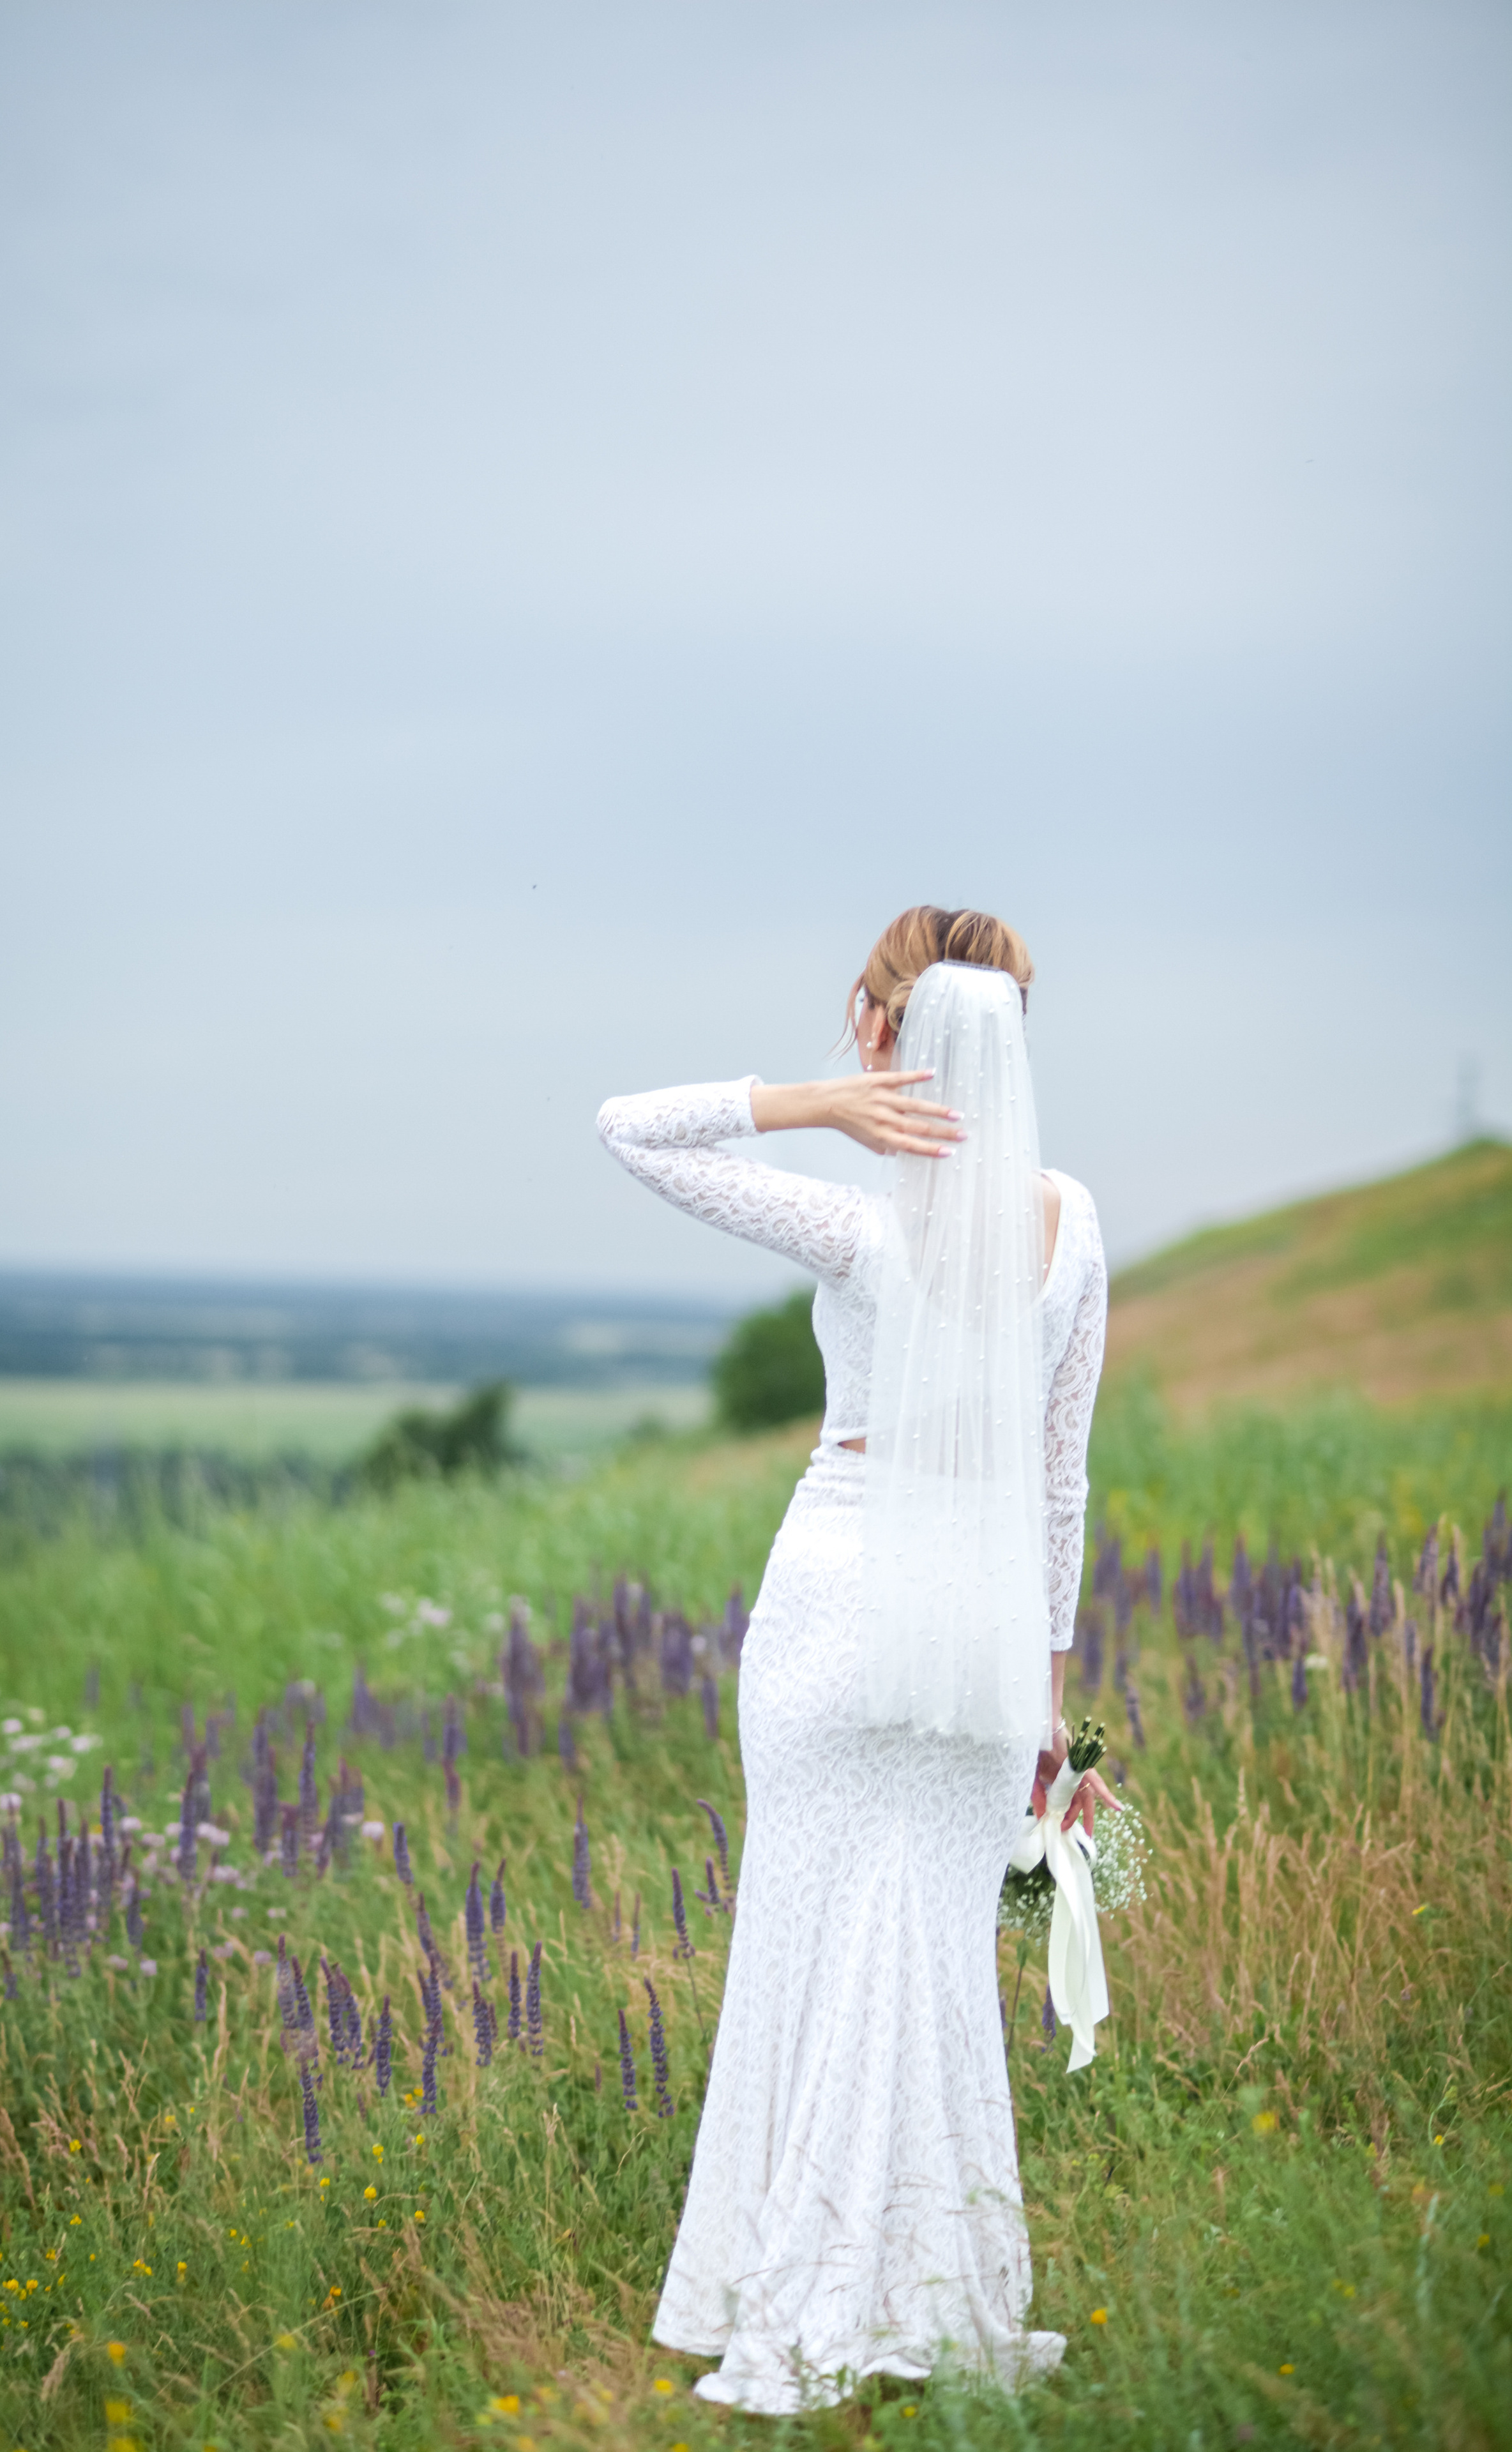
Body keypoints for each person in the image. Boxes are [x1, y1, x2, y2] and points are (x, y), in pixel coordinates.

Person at [596, 904, 1116, 2416]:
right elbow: (1060, 1480)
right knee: (930, 1970)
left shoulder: (855, 1218)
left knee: (809, 1951)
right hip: (984, 1626)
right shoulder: (1071, 1224)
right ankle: (925, 2298)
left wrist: (811, 1105)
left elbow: (628, 1129)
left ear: (883, 1028)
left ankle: (794, 2293)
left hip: (834, 1602)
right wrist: (1049, 1708)